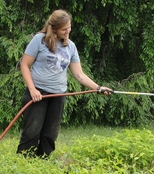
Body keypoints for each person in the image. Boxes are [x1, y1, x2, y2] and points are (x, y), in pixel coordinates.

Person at [17, 9, 112, 158]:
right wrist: (32, 89)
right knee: (32, 132)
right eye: (64, 29)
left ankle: (42, 164)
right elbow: (24, 65)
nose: (68, 31)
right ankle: (22, 164)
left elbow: (78, 74)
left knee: (50, 134)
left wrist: (98, 88)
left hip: (58, 94)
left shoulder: (71, 47)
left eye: (69, 27)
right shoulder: (39, 40)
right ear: (54, 28)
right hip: (37, 93)